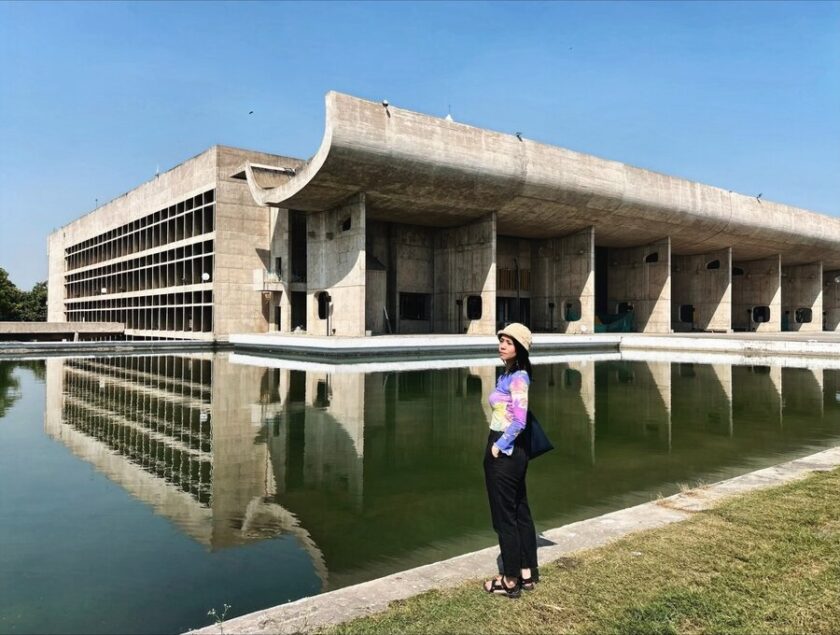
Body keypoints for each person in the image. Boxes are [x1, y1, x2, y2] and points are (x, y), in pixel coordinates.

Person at [482, 322, 538, 599]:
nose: (502, 345)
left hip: (505, 450)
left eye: (509, 342)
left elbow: (519, 420)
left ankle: (510, 579)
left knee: (504, 517)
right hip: (511, 451)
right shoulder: (509, 374)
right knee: (519, 511)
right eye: (501, 340)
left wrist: (498, 446)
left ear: (520, 349)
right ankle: (527, 574)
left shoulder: (518, 378)